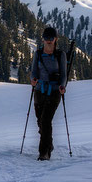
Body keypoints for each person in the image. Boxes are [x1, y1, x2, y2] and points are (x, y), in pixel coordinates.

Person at [31, 26, 67, 160]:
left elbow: (63, 74)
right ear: (43, 39)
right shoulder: (38, 54)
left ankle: (44, 152)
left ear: (55, 39)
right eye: (46, 38)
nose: (48, 41)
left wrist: (62, 86)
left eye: (51, 38)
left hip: (54, 92)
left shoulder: (60, 55)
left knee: (46, 120)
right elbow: (34, 71)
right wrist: (33, 80)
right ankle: (49, 144)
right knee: (40, 122)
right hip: (39, 90)